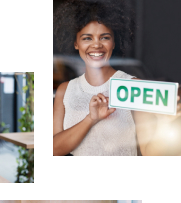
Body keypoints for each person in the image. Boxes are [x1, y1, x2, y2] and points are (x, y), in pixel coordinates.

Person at [53, 0, 181, 156]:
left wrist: (164, 123)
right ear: (75, 43)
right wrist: (91, 119)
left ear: (114, 42)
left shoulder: (135, 87)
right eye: (87, 38)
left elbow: (150, 155)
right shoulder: (64, 91)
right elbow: (53, 149)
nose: (96, 45)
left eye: (104, 37)